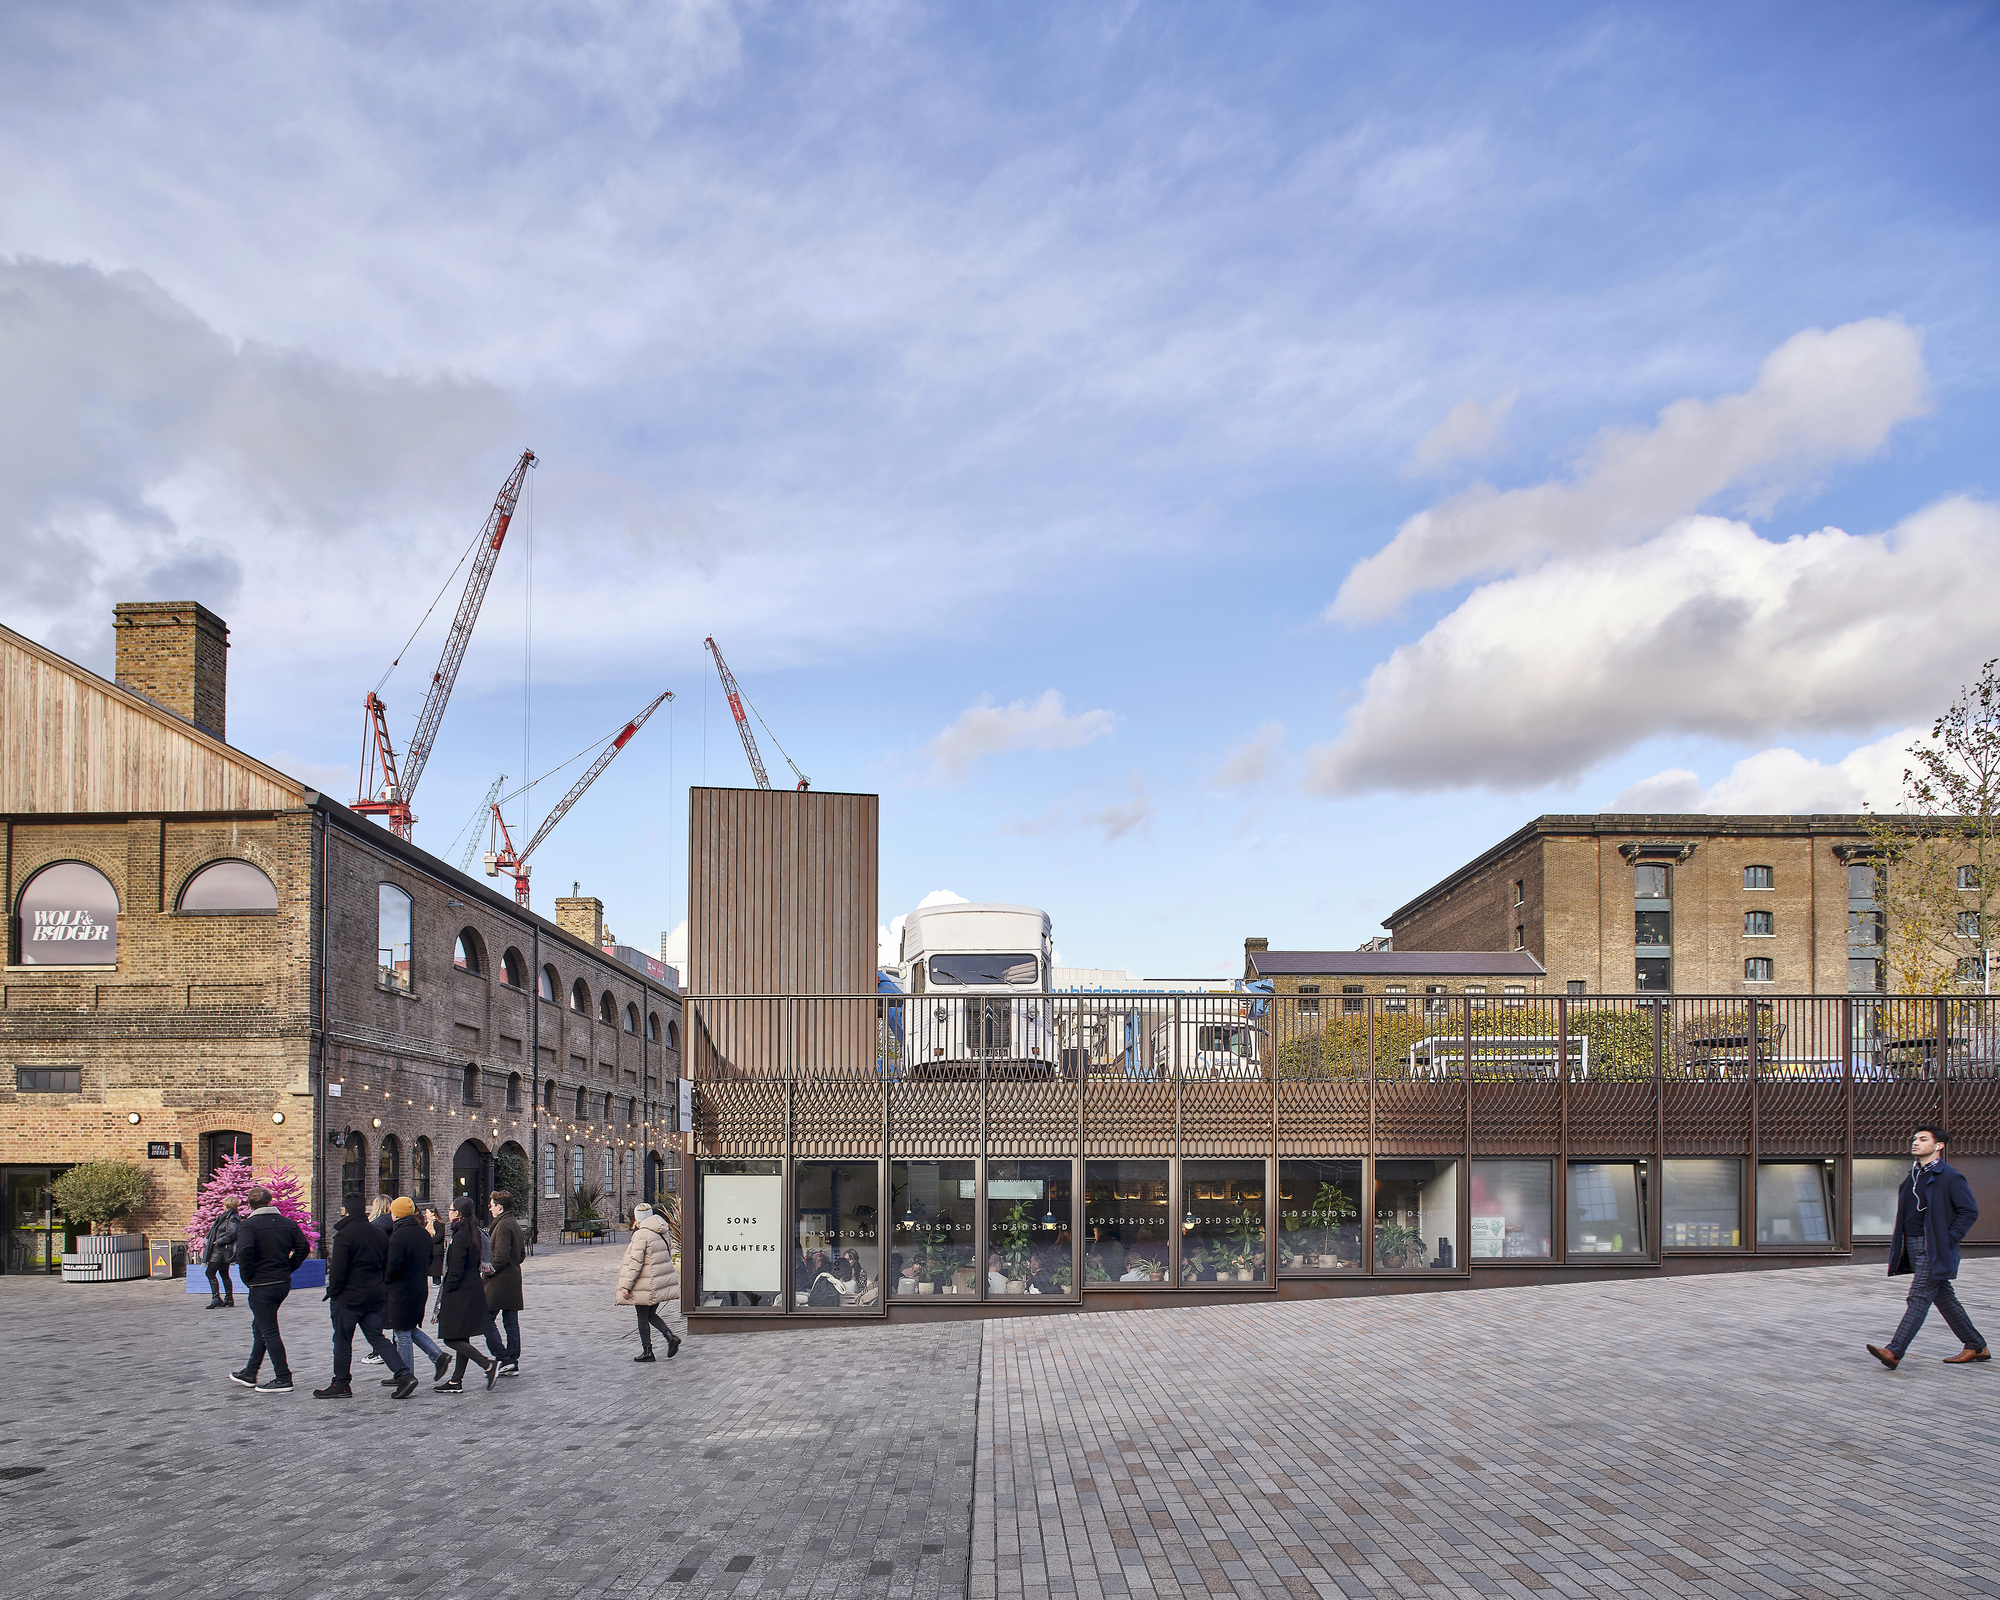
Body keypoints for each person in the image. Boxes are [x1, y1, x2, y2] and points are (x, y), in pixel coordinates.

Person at [1868, 1124, 1988, 1369]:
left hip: (1934, 1246)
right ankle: (1975, 1346)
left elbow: (1969, 1212)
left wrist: (1947, 1239)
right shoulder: (1913, 1175)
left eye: (1922, 1139)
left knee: (1919, 1295)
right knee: (1943, 1296)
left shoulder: (1950, 1176)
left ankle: (1894, 1351)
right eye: (1914, 1138)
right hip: (1912, 1244)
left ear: (1938, 1145)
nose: (1915, 1142)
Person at [317, 1192, 416, 1399]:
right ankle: (404, 1374)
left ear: (345, 1210)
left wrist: (333, 1293)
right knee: (377, 1338)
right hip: (374, 1294)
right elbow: (386, 1265)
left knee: (343, 1340)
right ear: (364, 1209)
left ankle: (342, 1383)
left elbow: (337, 1270)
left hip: (348, 1297)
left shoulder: (344, 1236)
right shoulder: (378, 1233)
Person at [228, 1186, 309, 1393]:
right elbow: (303, 1248)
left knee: (269, 1330)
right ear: (270, 1201)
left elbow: (244, 1252)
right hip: (281, 1282)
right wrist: (289, 1267)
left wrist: (247, 1277)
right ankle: (250, 1371)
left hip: (262, 1284)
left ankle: (283, 1377)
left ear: (250, 1205)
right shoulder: (287, 1224)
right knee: (261, 1326)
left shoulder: (249, 1226)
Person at [435, 1197, 500, 1392]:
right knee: (461, 1335)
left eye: (451, 1209)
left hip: (461, 1291)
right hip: (471, 1288)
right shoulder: (471, 1232)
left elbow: (455, 1268)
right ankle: (456, 1381)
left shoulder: (461, 1235)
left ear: (459, 1214)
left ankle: (487, 1365)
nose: (448, 1212)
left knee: (451, 1336)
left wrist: (447, 1291)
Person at [383, 1197, 450, 1384]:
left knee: (402, 1332)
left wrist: (384, 1281)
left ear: (396, 1214)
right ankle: (437, 1356)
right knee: (408, 1328)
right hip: (419, 1287)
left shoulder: (398, 1236)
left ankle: (406, 1375)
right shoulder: (422, 1233)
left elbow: (392, 1266)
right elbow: (429, 1260)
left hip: (401, 1290)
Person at [616, 1201, 681, 1359]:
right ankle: (670, 1337)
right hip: (659, 1280)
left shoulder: (641, 1234)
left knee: (642, 1316)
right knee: (651, 1314)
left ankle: (647, 1351)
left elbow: (636, 1263)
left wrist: (626, 1286)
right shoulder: (662, 1230)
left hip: (645, 1282)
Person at [482, 1190, 526, 1375]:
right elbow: (521, 1255)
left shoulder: (502, 1226)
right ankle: (512, 1360)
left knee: (484, 1320)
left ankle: (504, 1356)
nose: (489, 1208)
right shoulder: (513, 1223)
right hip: (512, 1278)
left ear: (500, 1207)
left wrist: (487, 1270)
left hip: (499, 1282)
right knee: (510, 1321)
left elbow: (499, 1257)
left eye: (492, 1205)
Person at [202, 1196, 241, 1309]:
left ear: (227, 1205)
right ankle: (228, 1299)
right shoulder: (226, 1217)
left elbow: (232, 1234)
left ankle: (216, 1298)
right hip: (221, 1250)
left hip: (221, 1251)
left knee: (210, 1272)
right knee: (224, 1273)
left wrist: (217, 1242)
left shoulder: (232, 1218)